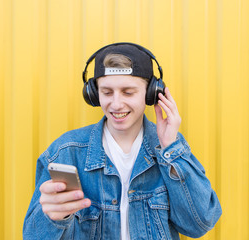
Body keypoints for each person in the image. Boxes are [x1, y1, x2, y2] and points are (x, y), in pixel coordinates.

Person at [23, 42, 222, 240]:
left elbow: (200, 224)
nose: (116, 104)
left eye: (128, 92)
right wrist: (53, 217)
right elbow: (32, 236)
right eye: (107, 92)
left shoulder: (169, 149)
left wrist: (170, 148)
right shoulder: (66, 152)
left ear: (151, 93)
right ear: (93, 94)